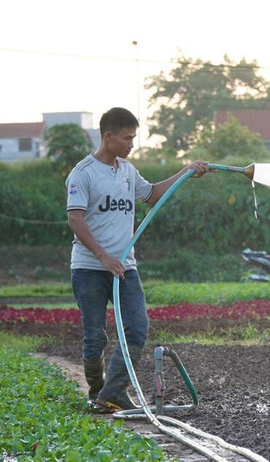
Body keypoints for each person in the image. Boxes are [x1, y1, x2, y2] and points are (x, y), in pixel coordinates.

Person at [66, 107, 210, 413]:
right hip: (90, 267)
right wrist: (103, 256)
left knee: (137, 326)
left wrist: (185, 172)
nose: (132, 143)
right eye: (127, 137)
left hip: (124, 267)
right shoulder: (83, 173)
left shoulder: (128, 172)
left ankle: (113, 390)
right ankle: (97, 393)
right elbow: (75, 220)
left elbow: (152, 194)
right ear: (108, 136)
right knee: (95, 336)